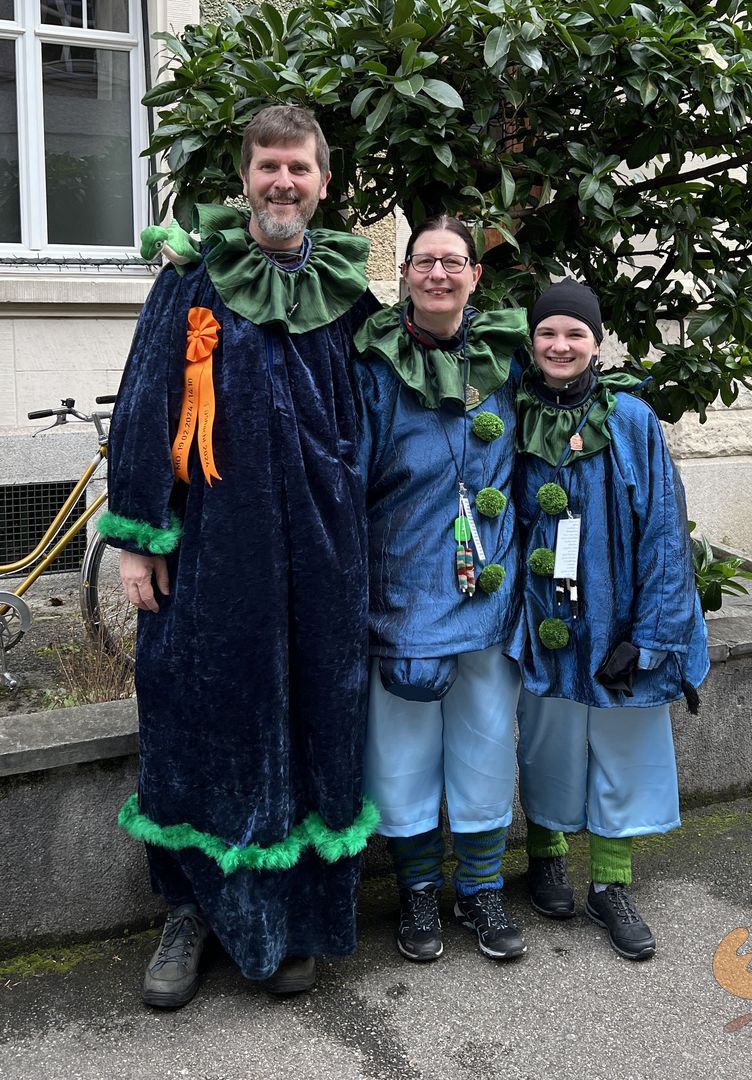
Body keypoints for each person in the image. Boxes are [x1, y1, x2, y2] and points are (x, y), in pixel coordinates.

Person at [99, 105, 381, 1007]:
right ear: (245, 175)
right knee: (201, 716)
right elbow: (145, 407)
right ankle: (190, 911)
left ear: (323, 181)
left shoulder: (347, 291)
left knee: (313, 723)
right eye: (268, 167)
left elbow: (387, 418)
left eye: (298, 168)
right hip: (215, 553)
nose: (282, 183)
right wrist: (138, 541)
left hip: (324, 560)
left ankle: (296, 920)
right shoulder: (193, 280)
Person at [507, 279, 709, 960]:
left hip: (620, 619)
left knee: (623, 747)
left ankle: (612, 884)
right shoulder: (511, 413)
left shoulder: (632, 420)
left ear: (597, 343)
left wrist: (651, 637)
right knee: (547, 741)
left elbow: (662, 529)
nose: (560, 345)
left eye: (575, 334)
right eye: (547, 333)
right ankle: (545, 857)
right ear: (532, 342)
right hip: (544, 619)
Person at [353, 216, 528, 962]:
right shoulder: (374, 366)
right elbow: (347, 477)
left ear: (474, 276)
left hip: (488, 594)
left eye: (453, 262)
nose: (438, 274)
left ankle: (481, 891)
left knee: (487, 749)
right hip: (403, 591)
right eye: (424, 261)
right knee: (401, 755)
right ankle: (419, 892)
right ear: (405, 273)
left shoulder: (505, 361)